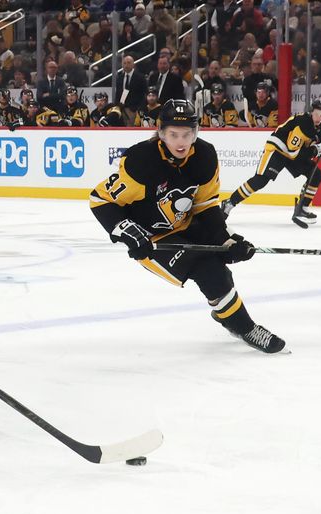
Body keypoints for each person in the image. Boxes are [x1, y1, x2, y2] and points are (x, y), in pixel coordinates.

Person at [89, 99, 287, 354]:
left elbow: (205, 206)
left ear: (196, 133)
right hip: (153, 238)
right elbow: (101, 200)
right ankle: (244, 326)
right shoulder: (141, 162)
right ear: (160, 133)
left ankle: (229, 316)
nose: (181, 142)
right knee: (209, 271)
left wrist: (227, 241)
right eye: (173, 135)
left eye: (187, 134)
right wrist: (130, 233)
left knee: (220, 271)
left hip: (186, 223)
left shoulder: (204, 156)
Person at [221, 99, 321, 229]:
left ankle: (302, 207)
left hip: (294, 152)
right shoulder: (303, 124)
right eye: (316, 114)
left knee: (316, 175)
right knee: (261, 180)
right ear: (310, 112)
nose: (318, 118)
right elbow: (293, 152)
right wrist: (316, 150)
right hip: (278, 150)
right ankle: (229, 203)